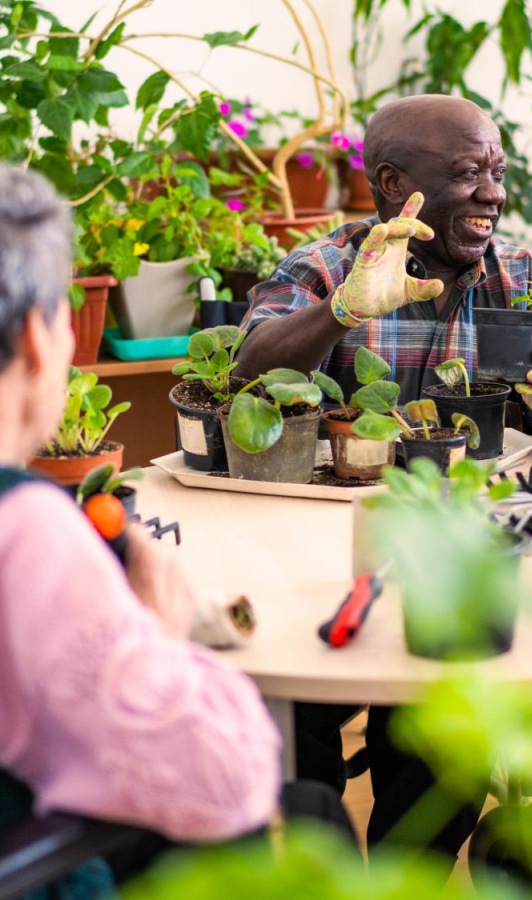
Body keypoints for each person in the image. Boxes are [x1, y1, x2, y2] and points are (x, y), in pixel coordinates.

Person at [233, 93, 532, 865]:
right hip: (322, 571)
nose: (494, 194)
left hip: (459, 569)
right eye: (470, 173)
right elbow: (247, 370)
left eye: (499, 172)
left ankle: (412, 874)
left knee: (439, 747)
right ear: (388, 182)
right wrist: (340, 311)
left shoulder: (524, 276)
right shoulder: (327, 266)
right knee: (296, 727)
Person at [0, 166, 351, 892]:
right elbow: (223, 784)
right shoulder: (24, 530)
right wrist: (158, 632)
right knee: (306, 818)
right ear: (39, 339)